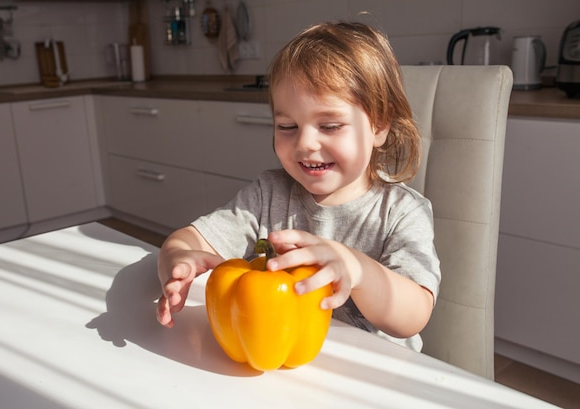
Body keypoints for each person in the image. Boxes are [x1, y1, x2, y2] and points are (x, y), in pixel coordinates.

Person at [156, 21, 441, 351]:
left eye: (330, 125)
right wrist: (178, 263)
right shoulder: (268, 194)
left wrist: (356, 268)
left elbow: (415, 314)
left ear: (379, 125)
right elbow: (187, 239)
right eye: (287, 126)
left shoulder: (403, 212)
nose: (305, 143)